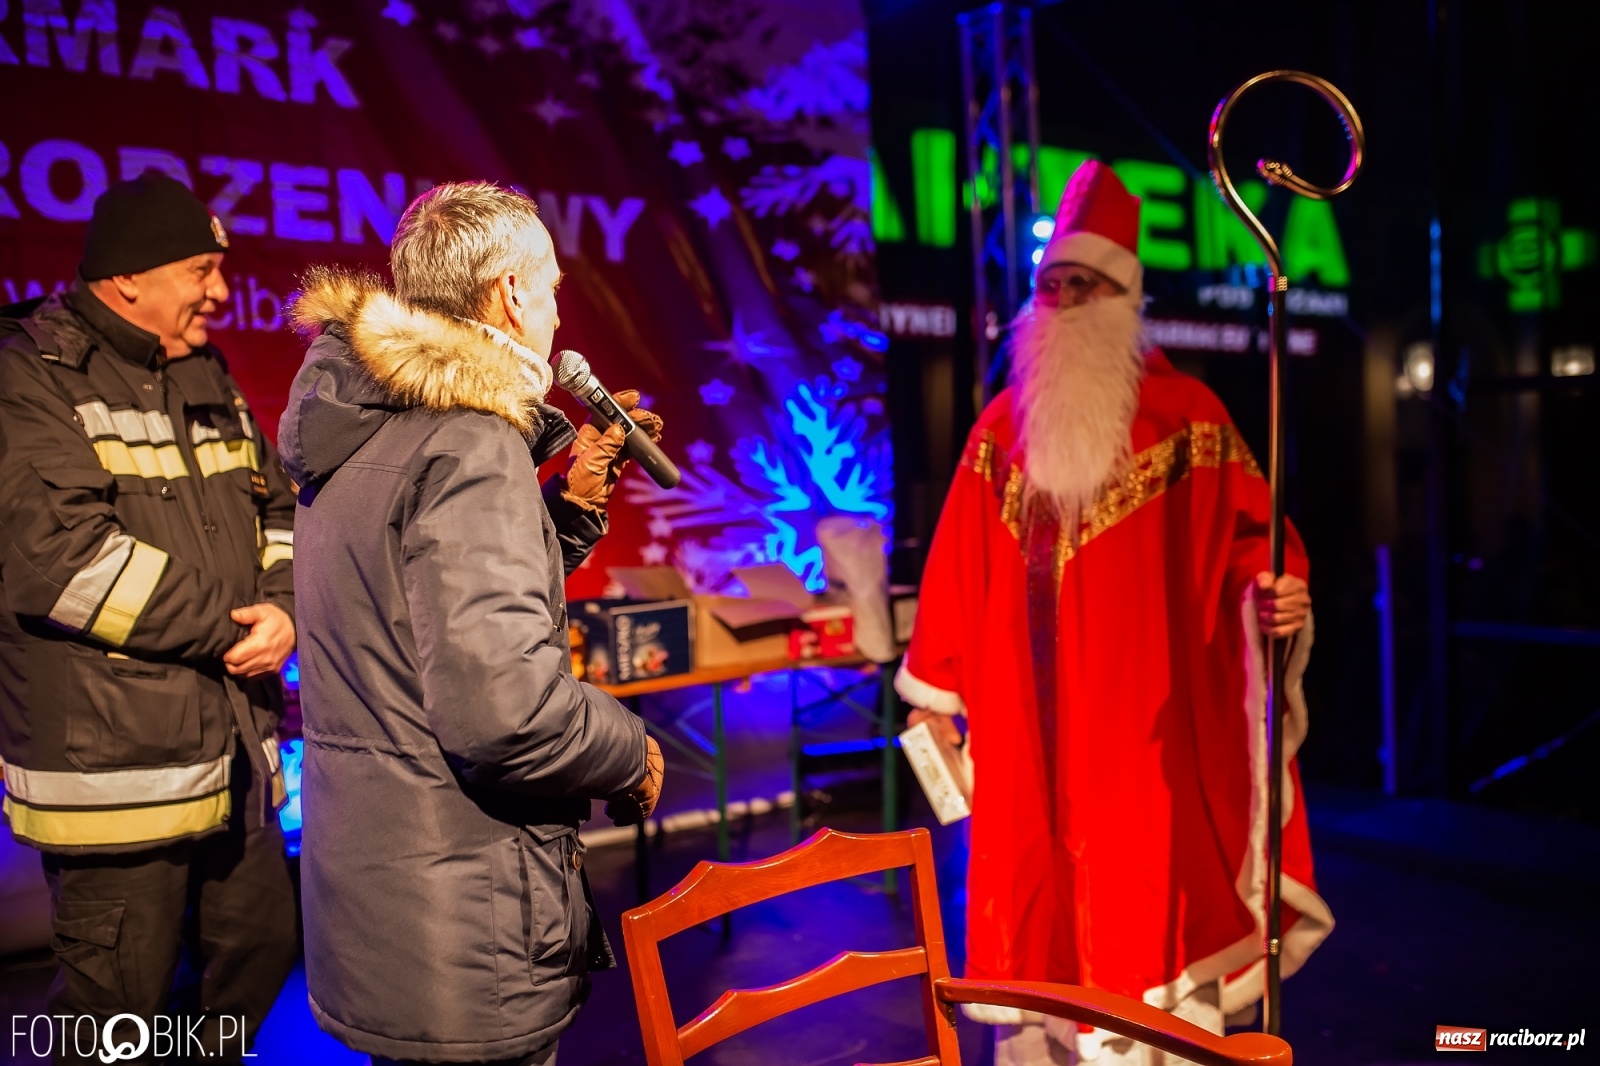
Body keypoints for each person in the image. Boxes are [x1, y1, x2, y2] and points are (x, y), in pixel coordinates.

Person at [899, 161, 1333, 1066]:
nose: (1061, 300)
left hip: (1149, 754)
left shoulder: (1191, 422)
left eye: (1083, 285)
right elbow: (955, 573)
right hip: (1026, 747)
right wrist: (933, 699)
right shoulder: (997, 434)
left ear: (1124, 298)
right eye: (1050, 285)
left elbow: (1251, 549)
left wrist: (1271, 596)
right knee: (1035, 943)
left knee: (1148, 951)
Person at [282, 181, 665, 1066]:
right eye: (556, 289)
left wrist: (569, 510)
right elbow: (508, 715)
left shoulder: (362, 419)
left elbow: (420, 619)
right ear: (509, 294)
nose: (560, 316)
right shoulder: (470, 443)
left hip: (385, 913)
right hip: (464, 920)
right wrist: (627, 742)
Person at [0, 172, 299, 1062]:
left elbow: (275, 509)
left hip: (232, 760)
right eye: (203, 269)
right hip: (116, 780)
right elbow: (62, 562)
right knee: (113, 1020)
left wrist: (284, 609)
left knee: (260, 950)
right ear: (128, 279)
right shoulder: (26, 373)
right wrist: (238, 627)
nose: (221, 290)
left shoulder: (200, 367)